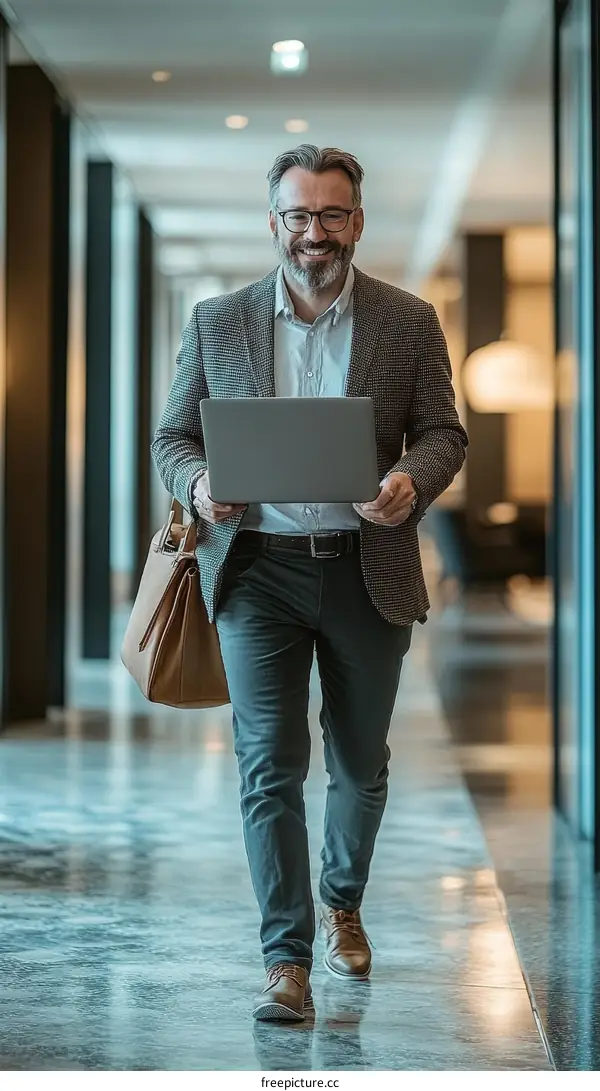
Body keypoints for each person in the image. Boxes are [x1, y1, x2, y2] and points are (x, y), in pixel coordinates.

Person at [151, 145, 468, 1023]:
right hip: (258, 571)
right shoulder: (218, 321)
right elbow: (171, 439)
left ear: (356, 222)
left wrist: (412, 478)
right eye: (299, 215)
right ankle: (285, 959)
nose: (315, 232)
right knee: (269, 767)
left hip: (369, 569)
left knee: (360, 765)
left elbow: (445, 432)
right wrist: (198, 485)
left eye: (332, 215)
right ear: (275, 224)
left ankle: (342, 901)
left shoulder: (408, 322)